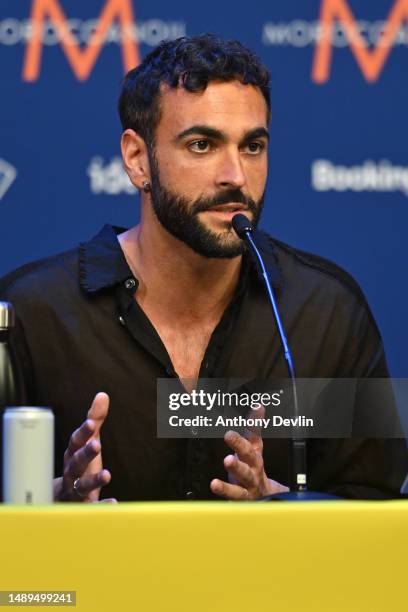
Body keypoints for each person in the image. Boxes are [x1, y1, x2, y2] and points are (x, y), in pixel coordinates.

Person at [0, 35, 406, 502]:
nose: (235, 174)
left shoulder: (326, 313)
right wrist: (41, 509)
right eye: (201, 145)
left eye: (253, 146)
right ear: (137, 160)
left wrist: (293, 515)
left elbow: (377, 515)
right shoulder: (32, 314)